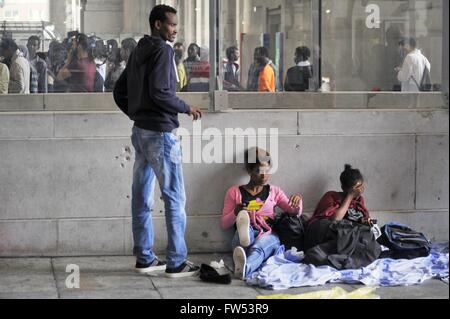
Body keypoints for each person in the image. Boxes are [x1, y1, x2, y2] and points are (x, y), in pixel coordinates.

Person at [113, 4, 203, 278]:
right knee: (174, 197)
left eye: (175, 25)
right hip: (161, 134)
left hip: (140, 131)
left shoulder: (140, 48)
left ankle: (144, 257)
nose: (175, 30)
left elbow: (119, 91)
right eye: (171, 25)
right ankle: (176, 262)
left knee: (141, 197)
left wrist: (139, 113)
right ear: (157, 25)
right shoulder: (163, 50)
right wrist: (187, 107)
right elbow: (161, 93)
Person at [221, 148, 303, 280]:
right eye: (259, 171)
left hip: (268, 234)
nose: (264, 176)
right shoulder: (234, 192)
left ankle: (244, 268)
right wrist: (236, 212)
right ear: (249, 170)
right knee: (245, 231)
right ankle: (245, 233)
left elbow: (294, 212)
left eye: (267, 171)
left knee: (259, 247)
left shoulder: (274, 191)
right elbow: (224, 224)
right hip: (241, 239)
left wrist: (297, 201)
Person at [304, 164, 372, 251]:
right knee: (330, 226)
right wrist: (350, 196)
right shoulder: (331, 196)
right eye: (356, 188)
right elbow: (335, 220)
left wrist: (364, 221)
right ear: (344, 188)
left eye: (361, 186)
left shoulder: (359, 201)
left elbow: (361, 219)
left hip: (345, 237)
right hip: (324, 234)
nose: (360, 190)